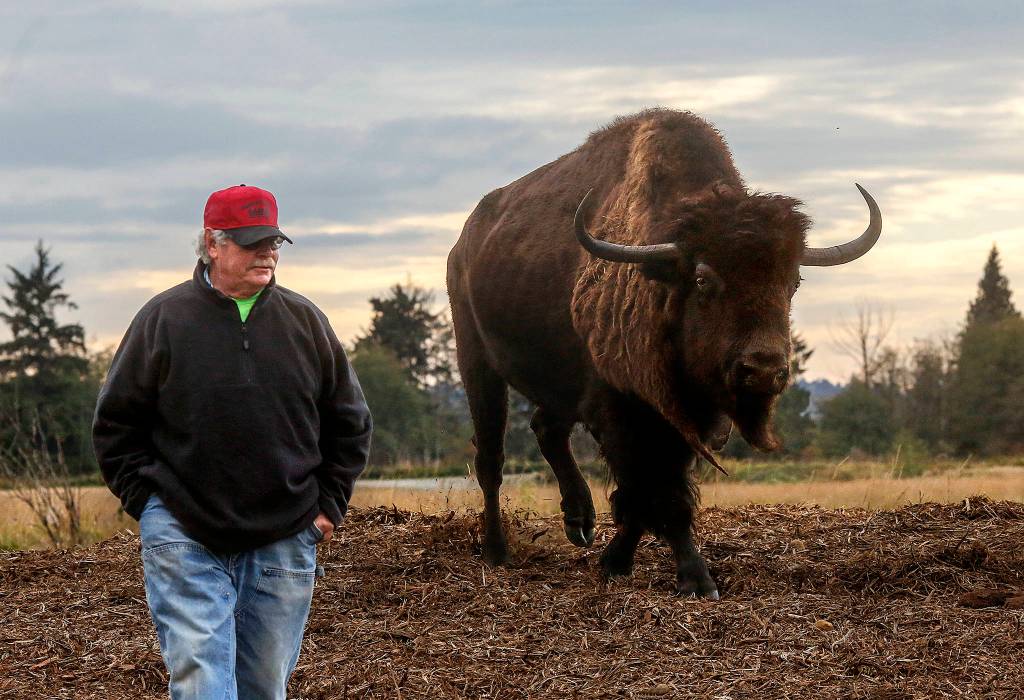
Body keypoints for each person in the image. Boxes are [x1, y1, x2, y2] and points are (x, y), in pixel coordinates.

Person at [93, 184, 372, 699]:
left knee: (264, 686)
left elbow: (350, 422)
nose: (266, 253)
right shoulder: (163, 319)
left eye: (273, 243)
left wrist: (327, 507)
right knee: (202, 678)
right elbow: (115, 425)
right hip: (184, 530)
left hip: (286, 532)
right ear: (212, 244)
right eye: (251, 242)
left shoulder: (305, 322)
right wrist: (151, 506)